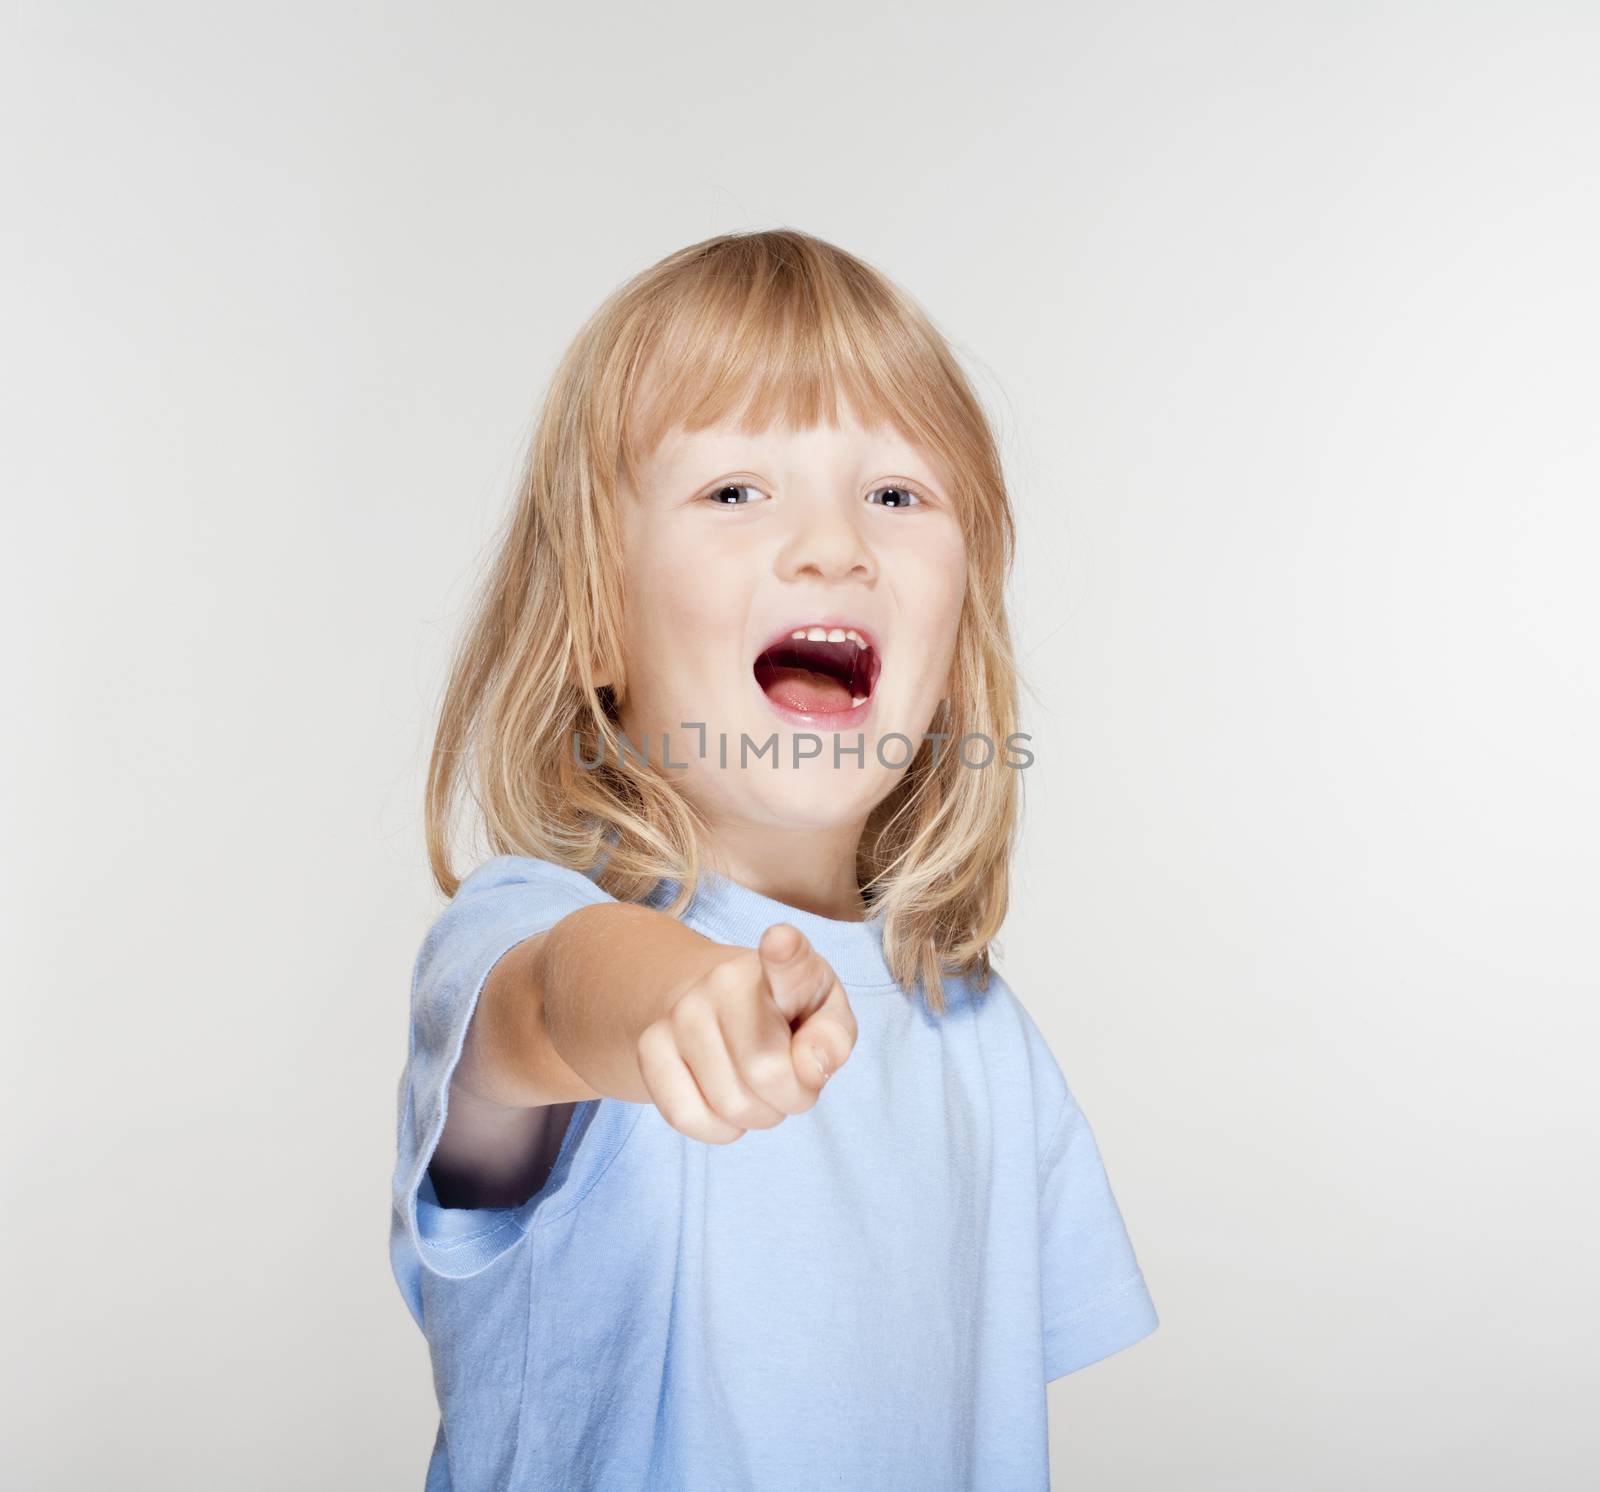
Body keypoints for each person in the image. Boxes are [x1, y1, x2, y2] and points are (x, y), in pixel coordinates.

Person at [389, 228, 1158, 1491]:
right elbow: (550, 1001)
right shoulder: (527, 924)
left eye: (897, 494)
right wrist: (675, 996)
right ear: (597, 628)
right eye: (736, 490)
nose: (833, 546)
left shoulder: (981, 1036)